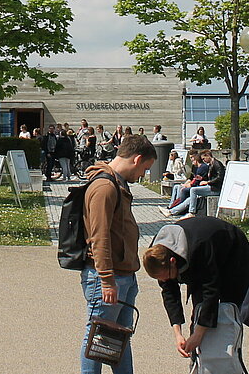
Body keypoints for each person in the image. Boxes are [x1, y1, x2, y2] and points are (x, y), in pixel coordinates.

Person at [80, 134, 158, 374]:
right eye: (145, 168)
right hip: (108, 277)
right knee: (97, 337)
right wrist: (106, 278)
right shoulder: (105, 186)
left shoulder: (117, 183)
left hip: (123, 275)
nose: (143, 174)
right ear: (137, 159)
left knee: (119, 337)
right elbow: (99, 237)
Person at [143, 215, 249, 363]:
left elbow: (211, 290)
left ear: (172, 261)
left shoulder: (199, 247)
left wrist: (199, 334)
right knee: (199, 313)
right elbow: (169, 293)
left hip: (234, 256)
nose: (164, 281)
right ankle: (199, 363)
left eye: (167, 276)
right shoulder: (156, 255)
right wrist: (178, 333)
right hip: (197, 262)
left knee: (227, 314)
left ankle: (228, 362)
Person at [164, 150, 224, 218]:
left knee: (193, 190)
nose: (203, 160)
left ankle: (192, 212)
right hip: (210, 186)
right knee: (189, 199)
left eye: (204, 158)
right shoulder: (211, 164)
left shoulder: (217, 164)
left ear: (208, 156)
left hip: (215, 188)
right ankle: (171, 211)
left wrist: (207, 182)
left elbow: (220, 178)